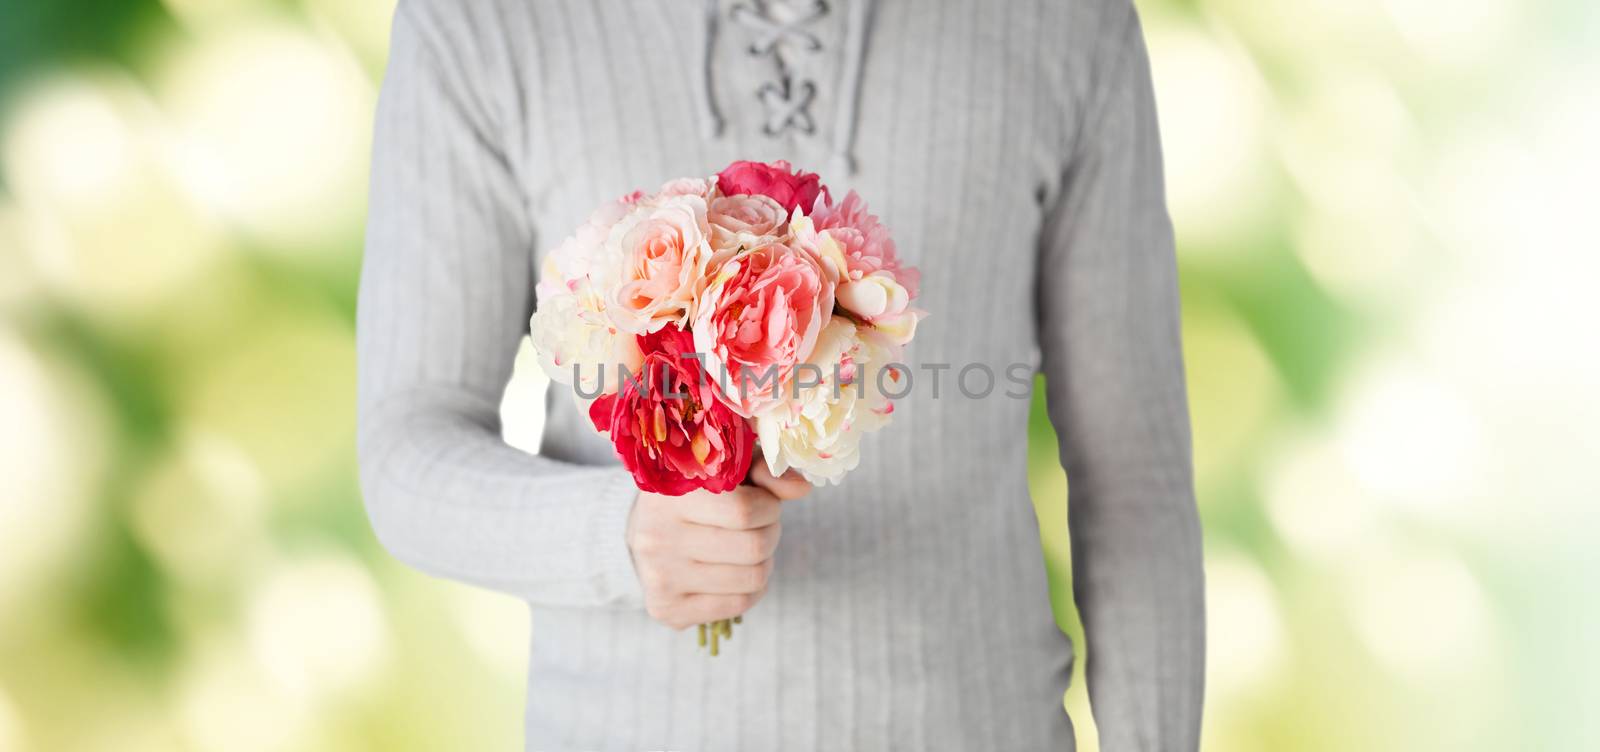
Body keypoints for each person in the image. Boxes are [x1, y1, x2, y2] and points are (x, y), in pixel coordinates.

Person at [356, 0, 1205, 749]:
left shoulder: (1070, 21)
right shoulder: (478, 22)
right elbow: (407, 444)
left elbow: (1136, 476)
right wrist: (615, 535)